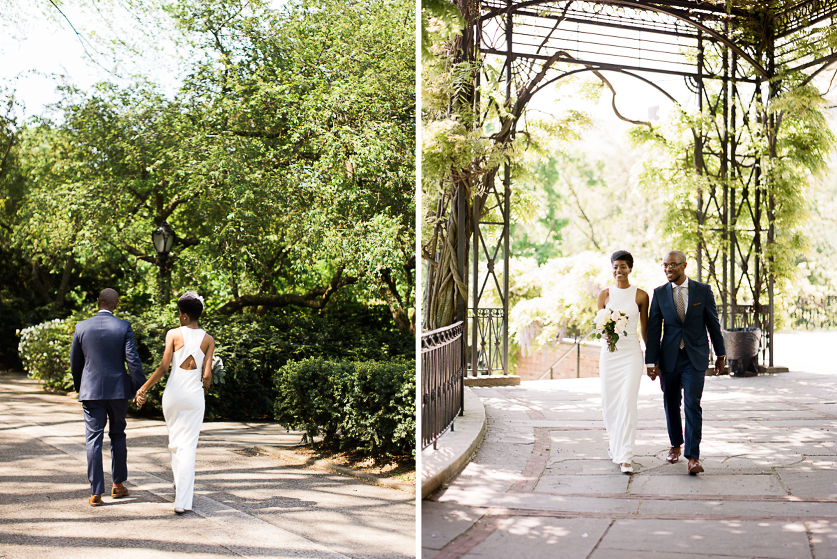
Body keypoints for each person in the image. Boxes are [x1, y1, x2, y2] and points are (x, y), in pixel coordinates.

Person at [645, 251, 726, 475]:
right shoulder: (659, 293)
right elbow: (654, 330)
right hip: (669, 357)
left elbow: (713, 324)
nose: (668, 269)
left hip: (694, 356)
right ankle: (675, 445)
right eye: (665, 265)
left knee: (692, 403)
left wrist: (720, 355)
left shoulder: (703, 290)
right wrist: (651, 361)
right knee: (671, 402)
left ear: (684, 266)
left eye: (673, 265)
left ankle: (693, 457)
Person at [135, 291, 215, 513]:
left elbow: (163, 368)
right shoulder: (208, 340)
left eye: (179, 313)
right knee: (188, 445)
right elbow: (206, 376)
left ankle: (180, 489)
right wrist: (205, 385)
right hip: (194, 397)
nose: (179, 316)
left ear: (185, 315)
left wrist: (143, 388)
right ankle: (182, 501)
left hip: (173, 394)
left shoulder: (173, 334)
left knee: (175, 443)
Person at [70, 288, 147, 506]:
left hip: (91, 392)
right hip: (118, 391)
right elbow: (133, 360)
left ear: (97, 301)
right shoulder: (123, 326)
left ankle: (95, 492)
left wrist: (81, 388)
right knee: (118, 435)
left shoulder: (81, 327)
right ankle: (118, 485)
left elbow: (75, 362)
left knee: (93, 439)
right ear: (116, 304)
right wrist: (140, 388)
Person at [596, 250, 650, 474]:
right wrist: (606, 332)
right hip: (610, 355)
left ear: (630, 269)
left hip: (631, 354)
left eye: (623, 266)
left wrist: (652, 358)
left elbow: (645, 329)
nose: (619, 270)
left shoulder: (641, 296)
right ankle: (614, 444)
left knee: (627, 403)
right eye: (615, 267)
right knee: (609, 404)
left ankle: (625, 456)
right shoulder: (604, 295)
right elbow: (600, 325)